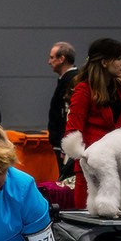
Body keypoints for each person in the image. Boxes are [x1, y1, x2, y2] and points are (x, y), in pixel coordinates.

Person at [64, 37, 121, 207]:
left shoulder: (119, 89)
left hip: (117, 168)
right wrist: (86, 160)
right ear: (105, 62)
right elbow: (72, 133)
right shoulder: (83, 91)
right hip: (90, 172)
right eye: (119, 58)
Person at [46, 41, 77, 171]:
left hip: (66, 143)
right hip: (64, 141)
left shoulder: (72, 80)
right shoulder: (66, 79)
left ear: (62, 59)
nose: (49, 62)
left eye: (52, 57)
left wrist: (62, 143)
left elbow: (67, 114)